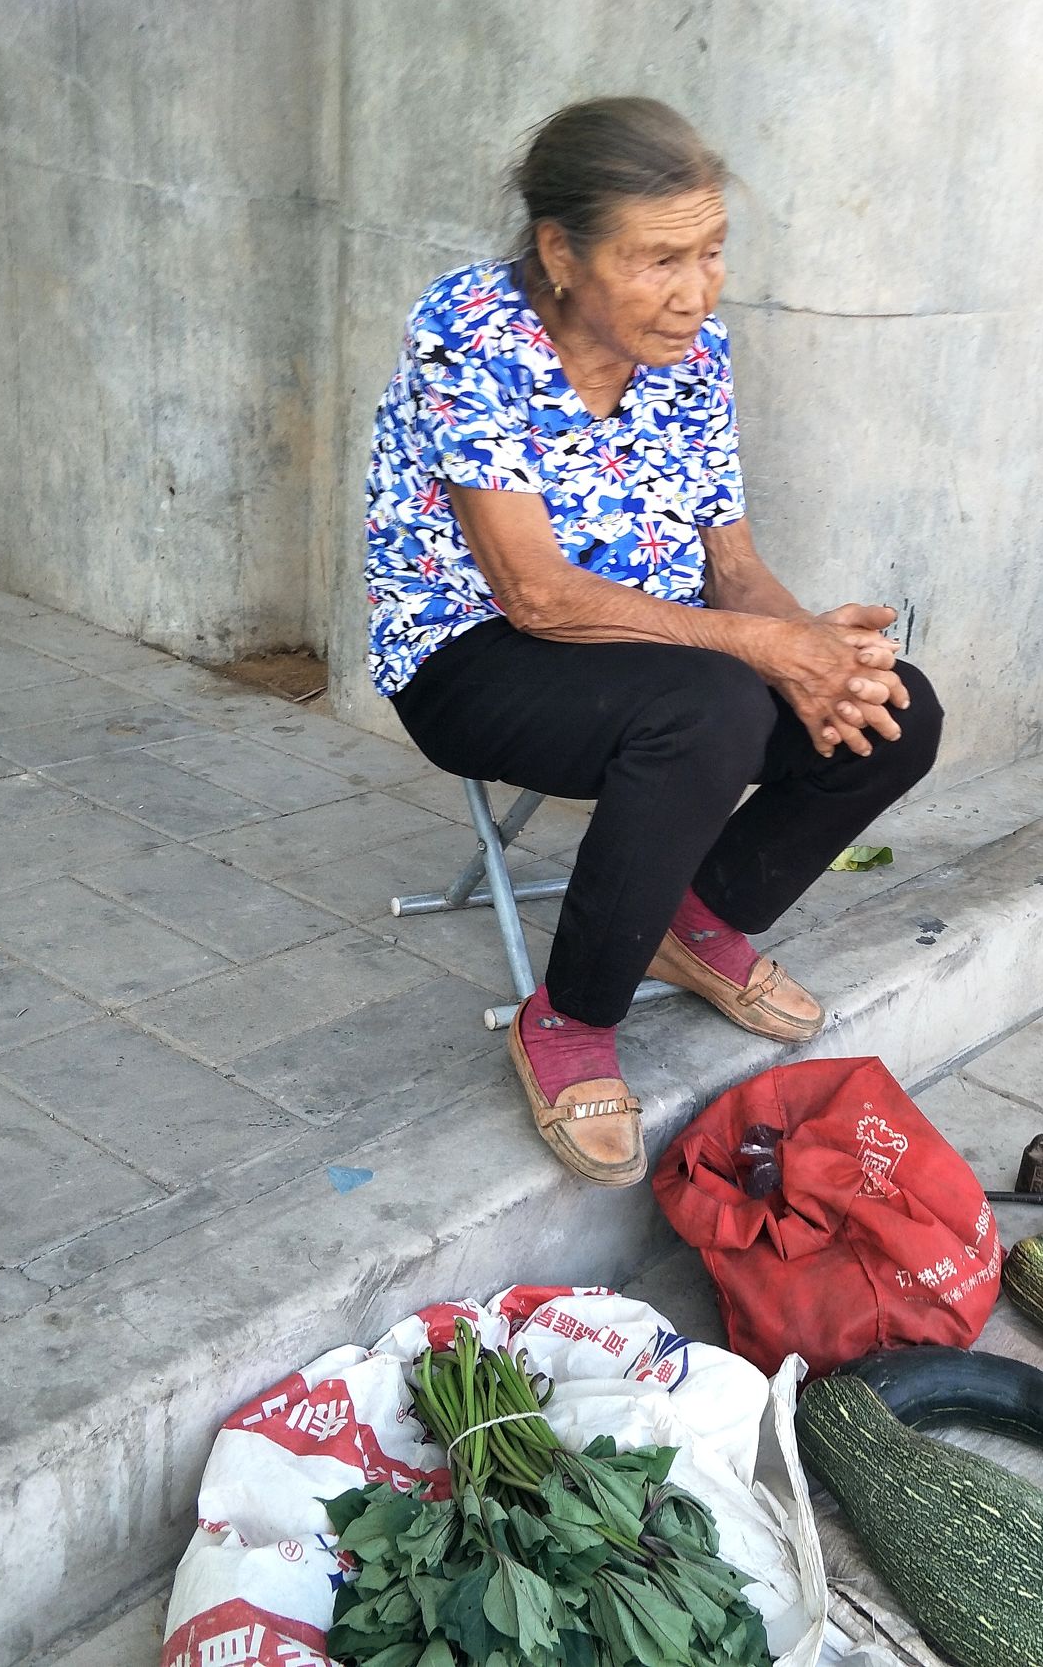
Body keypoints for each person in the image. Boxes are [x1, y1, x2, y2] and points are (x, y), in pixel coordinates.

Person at [364, 97, 943, 1188]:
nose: (697, 289)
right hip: (473, 654)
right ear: (560, 251)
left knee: (893, 707)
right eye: (659, 259)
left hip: (661, 655)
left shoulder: (693, 355)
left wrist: (819, 650)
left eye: (713, 251)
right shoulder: (469, 331)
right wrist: (759, 652)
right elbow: (532, 594)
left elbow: (730, 562)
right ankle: (572, 1017)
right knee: (710, 707)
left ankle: (693, 918)